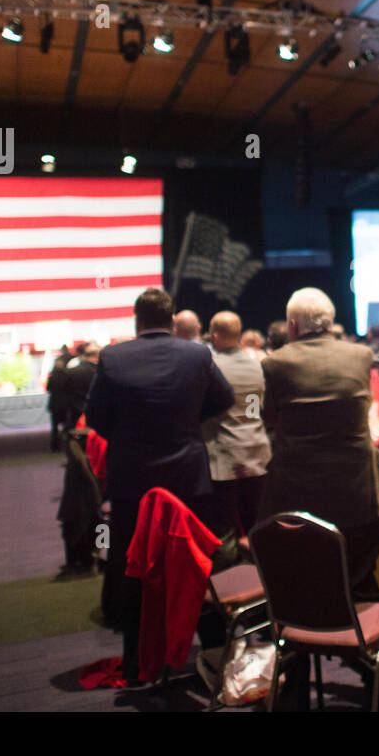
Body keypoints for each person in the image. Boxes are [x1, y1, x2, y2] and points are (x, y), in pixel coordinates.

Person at [83, 287, 234, 683]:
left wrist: (132, 436)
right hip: (188, 478)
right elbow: (224, 399)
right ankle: (212, 654)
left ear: (137, 321)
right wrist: (187, 423)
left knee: (138, 568)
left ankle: (137, 662)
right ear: (171, 321)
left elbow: (95, 418)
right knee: (196, 565)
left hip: (134, 484)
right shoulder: (198, 354)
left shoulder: (113, 358)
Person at [258, 287, 379, 602]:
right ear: (330, 321)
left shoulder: (274, 363)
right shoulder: (361, 355)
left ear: (292, 325)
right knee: (360, 580)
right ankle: (364, 642)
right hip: (359, 491)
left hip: (297, 493)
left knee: (305, 582)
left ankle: (306, 639)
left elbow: (269, 418)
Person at [202, 311, 271, 537]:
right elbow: (254, 409)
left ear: (214, 335)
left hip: (224, 457)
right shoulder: (257, 365)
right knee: (256, 527)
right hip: (257, 451)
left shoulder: (209, 367)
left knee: (225, 530)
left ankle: (231, 572)